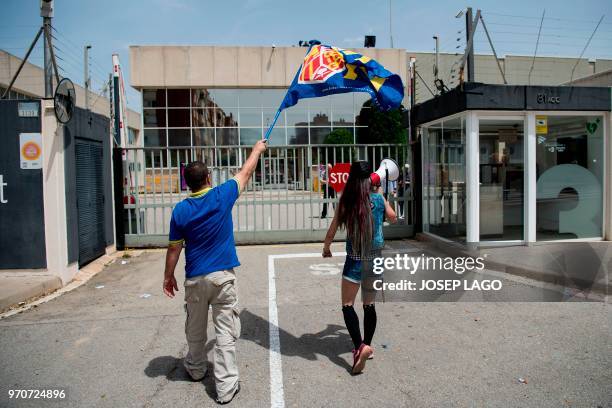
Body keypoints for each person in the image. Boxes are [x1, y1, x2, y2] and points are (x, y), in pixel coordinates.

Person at [163, 140, 267, 404]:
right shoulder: (221, 196)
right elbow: (245, 172)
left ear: (187, 183)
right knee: (225, 333)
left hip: (195, 279)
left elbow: (174, 249)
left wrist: (168, 276)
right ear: (208, 178)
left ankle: (196, 370)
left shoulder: (180, 211)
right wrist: (256, 150)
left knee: (195, 331)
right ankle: (225, 387)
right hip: (222, 279)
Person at [322, 161, 397, 374]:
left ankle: (359, 347)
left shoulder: (347, 200)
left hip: (355, 259)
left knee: (347, 305)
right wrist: (381, 195)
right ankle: (368, 346)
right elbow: (393, 217)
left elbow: (333, 228)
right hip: (375, 258)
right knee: (369, 306)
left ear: (351, 178)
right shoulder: (378, 198)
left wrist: (326, 247)